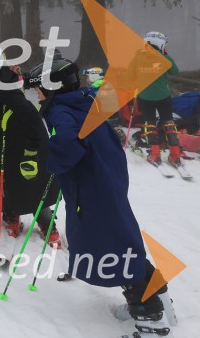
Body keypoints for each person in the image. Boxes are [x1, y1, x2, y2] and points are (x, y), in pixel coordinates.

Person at [25, 57, 176, 337]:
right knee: (125, 241)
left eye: (40, 91)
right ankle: (162, 302)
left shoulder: (60, 112)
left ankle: (151, 320)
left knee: (111, 250)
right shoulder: (84, 101)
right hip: (108, 181)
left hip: (92, 191)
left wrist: (55, 162)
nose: (38, 96)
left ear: (53, 87)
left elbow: (68, 144)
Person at [0, 43, 61, 244]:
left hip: (24, 147)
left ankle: (45, 219)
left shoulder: (6, 91)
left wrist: (31, 149)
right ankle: (11, 213)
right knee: (4, 180)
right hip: (1, 146)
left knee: (31, 181)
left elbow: (33, 121)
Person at [129, 32, 182, 166]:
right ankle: (175, 155)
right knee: (168, 122)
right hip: (163, 96)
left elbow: (129, 75)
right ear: (160, 44)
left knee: (150, 123)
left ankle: (154, 154)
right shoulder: (165, 58)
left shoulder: (137, 58)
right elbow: (175, 72)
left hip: (145, 96)